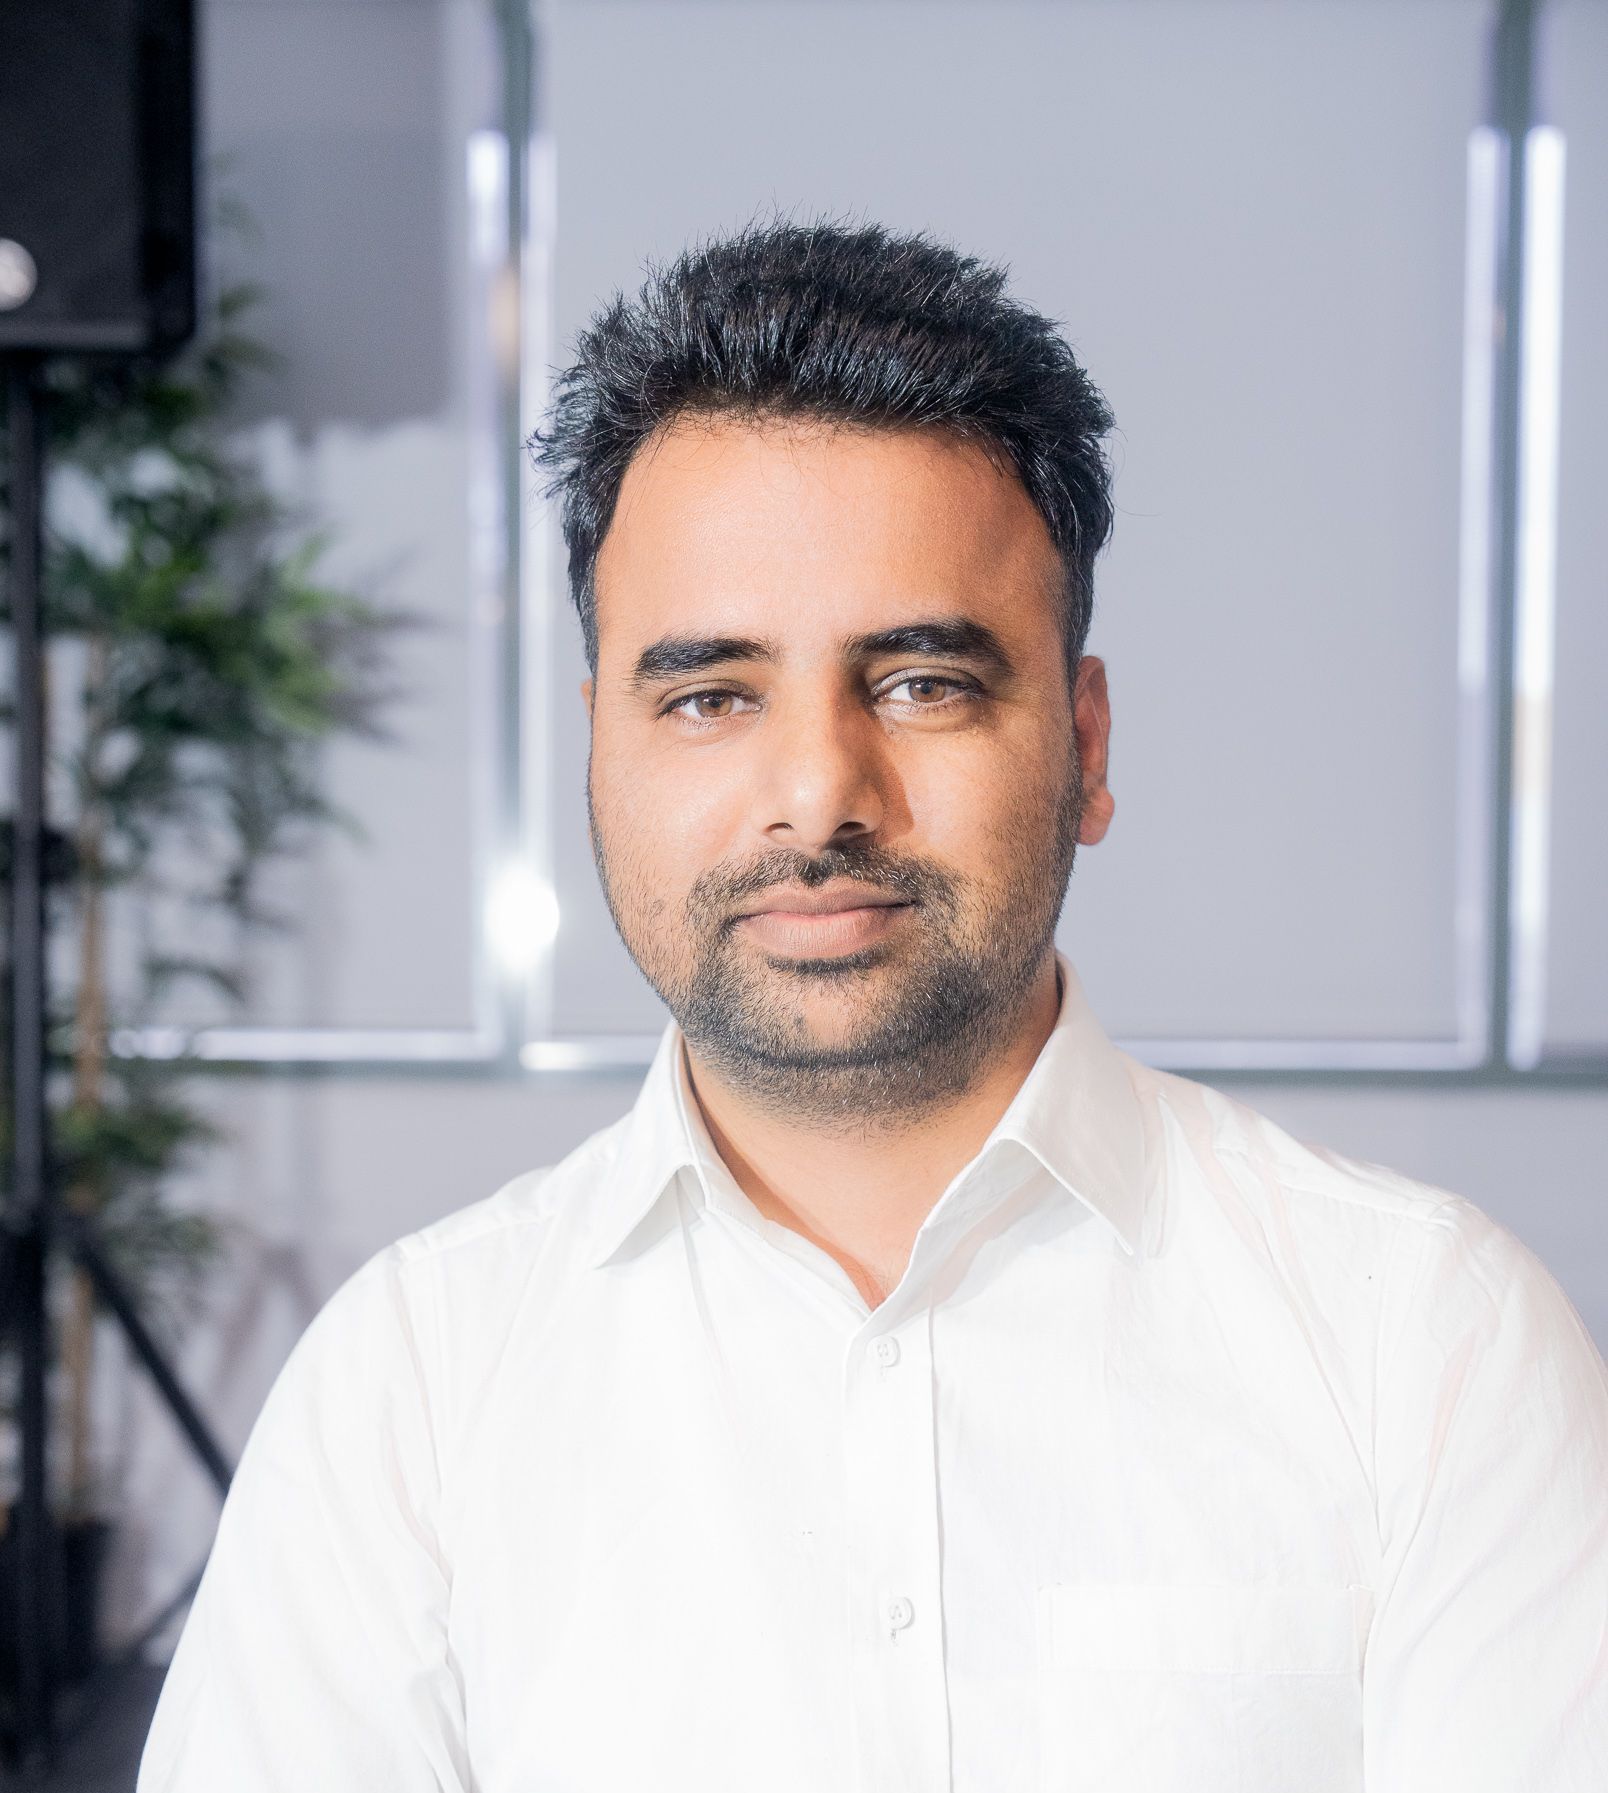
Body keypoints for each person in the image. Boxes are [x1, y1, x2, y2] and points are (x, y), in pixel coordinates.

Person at [137, 218, 1608, 1793]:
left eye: (922, 682)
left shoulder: (1425, 1344)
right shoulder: (406, 1392)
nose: (817, 791)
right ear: (599, 750)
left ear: (1086, 745)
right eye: (710, 696)